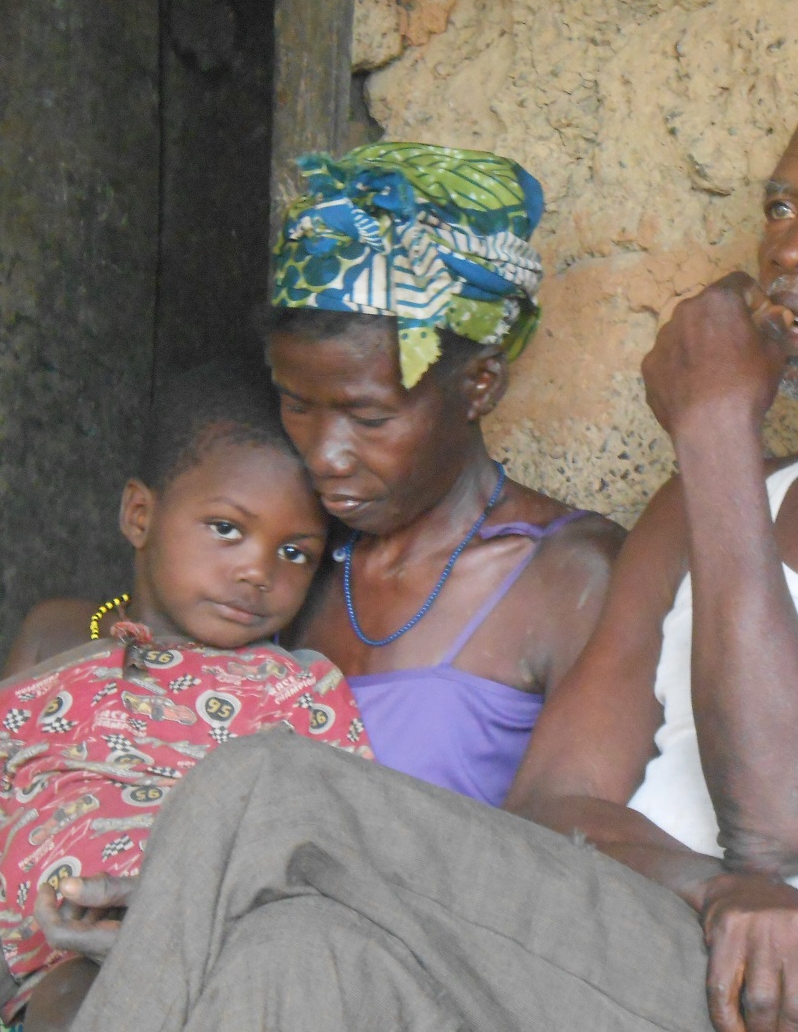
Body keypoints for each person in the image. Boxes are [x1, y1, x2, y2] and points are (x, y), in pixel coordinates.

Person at [52, 16, 798, 1032]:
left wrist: (714, 432)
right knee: (295, 951)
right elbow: (555, 806)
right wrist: (708, 888)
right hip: (634, 953)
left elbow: (788, 814)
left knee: (269, 785)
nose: (794, 246)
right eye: (781, 206)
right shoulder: (697, 508)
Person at [0, 364, 374, 1032]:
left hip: (208, 949)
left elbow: (337, 840)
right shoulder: (57, 633)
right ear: (140, 515)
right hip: (40, 951)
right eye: (227, 528)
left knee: (90, 999)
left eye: (294, 552)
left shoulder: (298, 684)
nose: (257, 571)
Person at [257, 142, 625, 802]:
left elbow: (583, 838)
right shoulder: (286, 555)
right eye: (296, 406)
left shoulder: (568, 576)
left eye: (369, 418)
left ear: (480, 384)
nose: (324, 455)